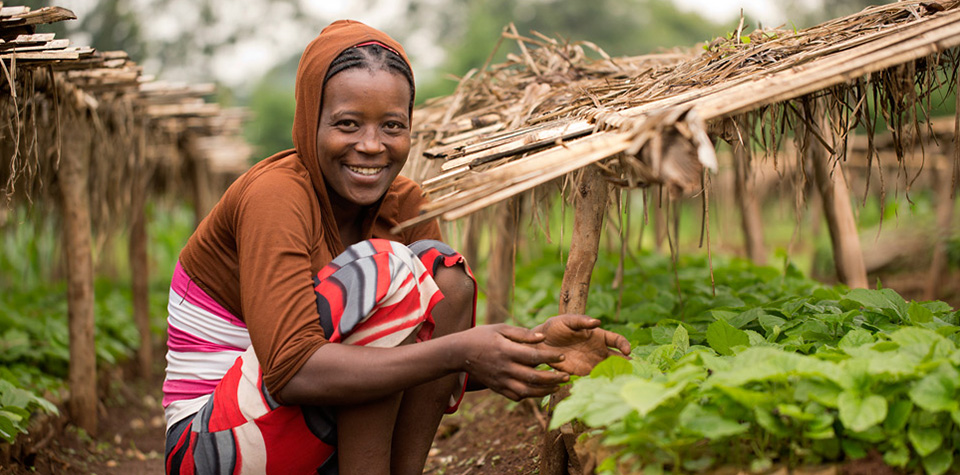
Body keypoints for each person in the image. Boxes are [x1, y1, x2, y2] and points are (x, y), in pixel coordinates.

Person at [161, 19, 630, 475]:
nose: (371, 145)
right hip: (211, 446)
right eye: (346, 124)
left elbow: (428, 353)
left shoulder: (404, 203)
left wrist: (534, 348)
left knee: (443, 274)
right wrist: (460, 351)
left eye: (391, 126)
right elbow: (294, 371)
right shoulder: (275, 196)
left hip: (293, 424)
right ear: (309, 123)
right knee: (389, 268)